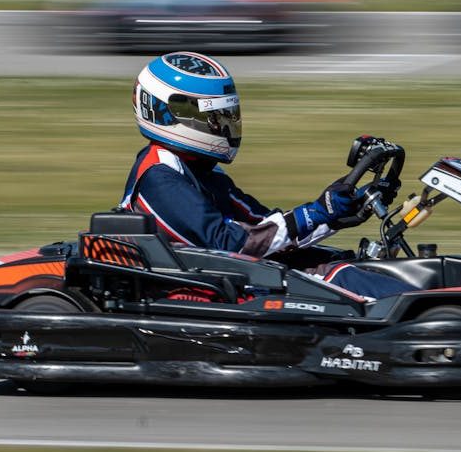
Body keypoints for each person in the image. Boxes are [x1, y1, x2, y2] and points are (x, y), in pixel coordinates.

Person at [121, 52, 414, 299]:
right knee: (343, 280)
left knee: (349, 262)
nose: (221, 127)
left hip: (231, 273)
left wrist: (338, 212)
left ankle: (432, 302)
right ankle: (427, 314)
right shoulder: (159, 176)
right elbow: (228, 244)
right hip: (208, 287)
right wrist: (313, 213)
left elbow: (263, 225)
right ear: (162, 111)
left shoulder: (200, 169)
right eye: (211, 118)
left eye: (225, 116)